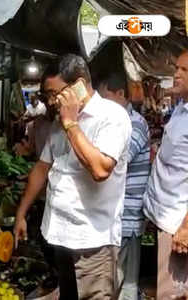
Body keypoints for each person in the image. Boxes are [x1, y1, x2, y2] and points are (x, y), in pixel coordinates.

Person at [13, 54, 132, 300]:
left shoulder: (112, 117)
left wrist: (71, 124)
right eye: (48, 95)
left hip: (92, 243)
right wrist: (21, 213)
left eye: (55, 93)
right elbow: (42, 168)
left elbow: (100, 170)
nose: (52, 101)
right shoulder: (58, 124)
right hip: (59, 236)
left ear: (79, 84)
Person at [98, 73, 151, 300]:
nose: (101, 105)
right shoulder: (115, 122)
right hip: (116, 217)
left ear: (121, 95)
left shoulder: (135, 124)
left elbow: (113, 163)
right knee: (116, 281)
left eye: (105, 98)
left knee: (124, 284)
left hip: (127, 217)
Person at [143, 50, 188, 300]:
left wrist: (186, 228)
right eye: (177, 68)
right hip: (166, 219)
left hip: (179, 225)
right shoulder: (182, 110)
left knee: (174, 295)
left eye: (184, 70)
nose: (176, 74)